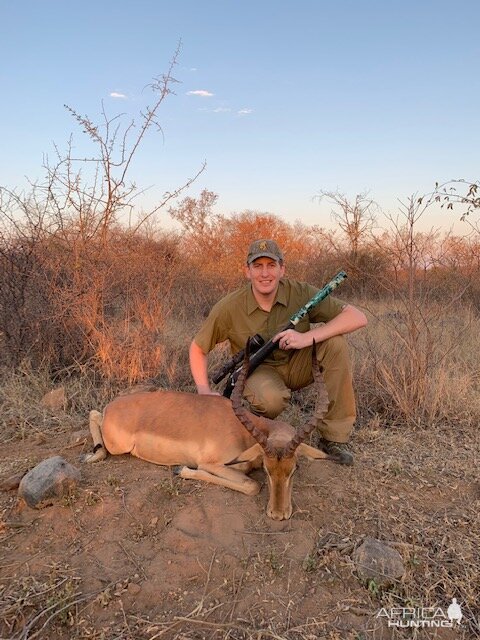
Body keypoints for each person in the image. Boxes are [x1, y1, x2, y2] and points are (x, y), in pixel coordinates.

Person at [189, 239, 367, 465]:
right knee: (271, 399)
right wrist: (203, 389)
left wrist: (306, 338)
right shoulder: (229, 306)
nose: (265, 273)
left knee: (335, 345)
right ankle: (253, 434)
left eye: (271, 265)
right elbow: (197, 347)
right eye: (258, 266)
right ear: (247, 271)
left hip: (298, 365)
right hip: (260, 373)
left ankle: (334, 438)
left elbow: (358, 317)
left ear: (282, 269)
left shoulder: (300, 292)